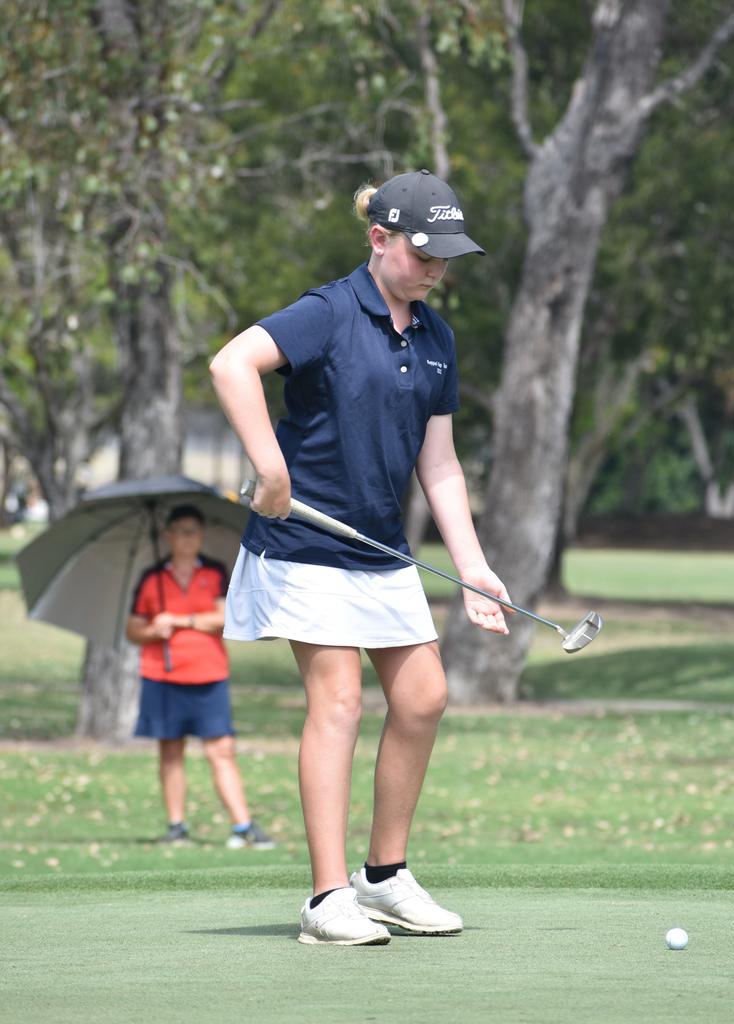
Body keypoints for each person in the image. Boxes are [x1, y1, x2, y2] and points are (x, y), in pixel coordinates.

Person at [209, 169, 509, 945]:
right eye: (424, 252)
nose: (438, 268)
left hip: (379, 548)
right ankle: (324, 898)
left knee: (423, 699)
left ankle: (382, 879)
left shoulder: (437, 336)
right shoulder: (328, 312)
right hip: (304, 544)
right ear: (379, 239)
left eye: (448, 256)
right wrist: (270, 466)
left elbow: (438, 465)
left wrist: (472, 565)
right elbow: (230, 364)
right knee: (337, 702)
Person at [126, 503, 275, 850]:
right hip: (162, 676)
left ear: (200, 535)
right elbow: (133, 627)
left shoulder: (215, 571)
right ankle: (176, 827)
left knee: (221, 750)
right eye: (181, 531)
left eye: (194, 531)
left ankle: (243, 826)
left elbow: (223, 616)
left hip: (208, 674)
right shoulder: (152, 578)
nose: (188, 538)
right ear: (169, 536)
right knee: (170, 752)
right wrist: (153, 629)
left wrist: (179, 620)